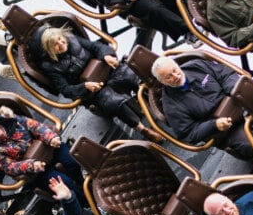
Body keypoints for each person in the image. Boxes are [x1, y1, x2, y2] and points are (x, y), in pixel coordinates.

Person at [31, 25, 164, 143]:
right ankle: (142, 129)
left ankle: (157, 101)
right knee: (113, 103)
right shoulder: (50, 66)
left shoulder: (71, 39)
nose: (61, 43)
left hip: (107, 71)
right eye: (55, 44)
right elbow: (65, 89)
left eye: (60, 39)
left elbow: (95, 46)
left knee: (131, 75)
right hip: (94, 89)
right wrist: (84, 87)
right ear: (49, 50)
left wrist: (105, 55)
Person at [0, 106, 86, 203]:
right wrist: (32, 165)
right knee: (64, 183)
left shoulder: (9, 119)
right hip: (35, 171)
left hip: (47, 148)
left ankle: (85, 184)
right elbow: (10, 167)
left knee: (73, 161)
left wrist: (51, 138)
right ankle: (87, 202)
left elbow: (35, 126)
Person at [150, 56, 253, 159]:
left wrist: (233, 92)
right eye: (169, 77)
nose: (176, 76)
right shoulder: (171, 106)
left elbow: (226, 74)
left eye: (175, 70)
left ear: (177, 65)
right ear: (162, 82)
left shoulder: (196, 65)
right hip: (228, 130)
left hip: (240, 102)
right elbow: (189, 133)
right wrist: (214, 125)